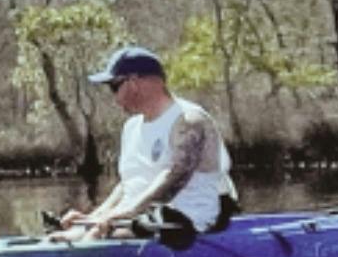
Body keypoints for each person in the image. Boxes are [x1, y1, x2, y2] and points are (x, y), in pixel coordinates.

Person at [50, 47, 235, 245]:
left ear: (134, 83)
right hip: (138, 219)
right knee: (63, 238)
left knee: (94, 237)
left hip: (185, 222)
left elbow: (174, 177)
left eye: (114, 87)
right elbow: (128, 185)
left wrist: (123, 215)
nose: (115, 98)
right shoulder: (131, 128)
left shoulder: (190, 120)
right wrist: (95, 217)